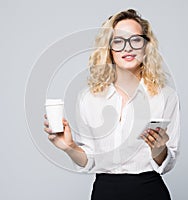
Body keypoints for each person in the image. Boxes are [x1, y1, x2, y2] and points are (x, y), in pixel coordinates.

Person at [44, 9, 180, 200]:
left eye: (136, 40)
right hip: (105, 192)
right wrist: (70, 147)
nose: (128, 48)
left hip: (149, 191)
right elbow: (89, 161)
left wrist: (158, 148)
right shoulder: (88, 98)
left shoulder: (165, 96)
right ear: (108, 48)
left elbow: (167, 162)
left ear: (146, 45)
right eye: (118, 41)